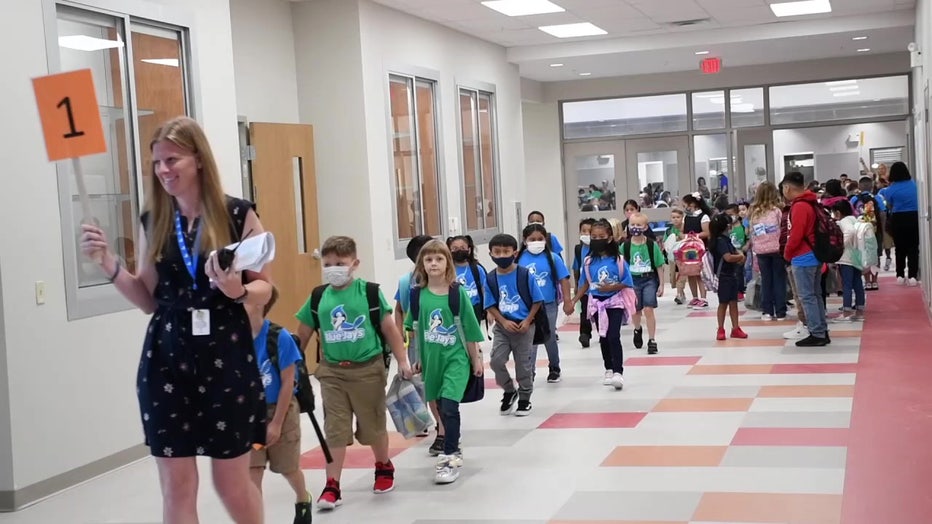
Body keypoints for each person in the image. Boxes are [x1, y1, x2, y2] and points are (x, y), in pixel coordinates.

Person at [79, 116, 271, 523]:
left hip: (226, 356)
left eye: (172, 159)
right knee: (177, 486)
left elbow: (265, 288)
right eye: (157, 162)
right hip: (167, 361)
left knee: (231, 483)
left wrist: (237, 291)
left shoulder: (238, 214)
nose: (164, 170)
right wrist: (108, 263)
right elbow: (148, 300)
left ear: (198, 159)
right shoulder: (155, 220)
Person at [295, 236, 413, 511]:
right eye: (328, 264)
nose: (333, 268)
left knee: (372, 426)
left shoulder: (368, 293)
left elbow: (390, 330)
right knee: (335, 429)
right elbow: (301, 335)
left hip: (368, 370)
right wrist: (291, 369)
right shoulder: (318, 297)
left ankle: (383, 465)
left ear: (354, 264)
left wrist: (403, 360)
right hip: (332, 373)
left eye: (340, 263)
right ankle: (332, 484)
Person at [404, 240, 484, 484]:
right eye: (428, 260)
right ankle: (451, 444)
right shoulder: (417, 295)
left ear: (447, 263)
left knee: (450, 405)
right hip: (431, 361)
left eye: (439, 259)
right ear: (422, 265)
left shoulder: (456, 293)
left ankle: (449, 455)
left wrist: (476, 359)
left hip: (456, 359)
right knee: (438, 406)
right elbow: (414, 329)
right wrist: (416, 359)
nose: (433, 264)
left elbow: (469, 330)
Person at [245, 287, 312, 524]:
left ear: (261, 303)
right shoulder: (234, 339)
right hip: (250, 415)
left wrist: (276, 423)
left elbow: (287, 384)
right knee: (253, 470)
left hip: (280, 410)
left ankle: (303, 498)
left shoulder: (278, 337)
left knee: (287, 468)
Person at [566, 219, 634, 391]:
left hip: (615, 302)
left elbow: (627, 282)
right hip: (596, 303)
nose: (597, 239)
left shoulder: (618, 261)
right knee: (603, 336)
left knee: (613, 335)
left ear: (610, 238)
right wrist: (573, 301)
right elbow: (585, 284)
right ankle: (608, 369)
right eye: (593, 236)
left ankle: (618, 371)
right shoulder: (588, 262)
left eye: (601, 236)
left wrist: (612, 287)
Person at [484, 234, 544, 416]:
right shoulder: (491, 277)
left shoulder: (525, 274)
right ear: (491, 254)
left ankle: (525, 398)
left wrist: (527, 321)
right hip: (503, 327)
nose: (502, 255)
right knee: (496, 361)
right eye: (497, 252)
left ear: (514, 253)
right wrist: (503, 321)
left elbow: (537, 300)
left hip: (524, 327)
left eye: (506, 251)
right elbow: (490, 304)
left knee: (523, 364)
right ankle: (510, 390)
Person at [518, 224, 572, 383]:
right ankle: (529, 371)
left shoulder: (553, 258)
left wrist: (568, 301)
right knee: (530, 339)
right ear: (524, 241)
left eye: (540, 239)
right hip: (527, 306)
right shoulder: (519, 259)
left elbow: (564, 279)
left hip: (548, 304)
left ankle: (554, 366)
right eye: (532, 239)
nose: (536, 242)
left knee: (548, 337)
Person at [781, 172, 830, 347]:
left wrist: (787, 254)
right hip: (814, 255)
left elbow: (795, 235)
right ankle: (821, 330)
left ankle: (816, 332)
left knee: (807, 297)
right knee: (815, 295)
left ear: (787, 187)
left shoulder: (799, 206)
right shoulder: (811, 202)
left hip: (803, 257)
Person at [622, 213, 665, 355]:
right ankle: (637, 328)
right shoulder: (625, 246)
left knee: (648, 309)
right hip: (632, 281)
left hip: (649, 279)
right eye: (632, 225)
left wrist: (661, 284)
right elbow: (619, 264)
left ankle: (652, 340)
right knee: (636, 309)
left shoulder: (651, 245)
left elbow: (659, 265)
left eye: (639, 225)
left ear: (645, 227)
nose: (635, 228)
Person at [748, 182, 787, 321]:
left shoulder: (753, 211)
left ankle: (767, 311)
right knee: (779, 280)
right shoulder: (777, 210)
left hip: (760, 250)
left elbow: (751, 231)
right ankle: (781, 311)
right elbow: (783, 228)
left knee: (766, 280)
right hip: (777, 249)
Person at [710, 213, 748, 340]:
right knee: (723, 303)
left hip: (731, 275)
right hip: (724, 276)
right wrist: (741, 257)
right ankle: (721, 329)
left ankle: (735, 328)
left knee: (733, 302)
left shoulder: (723, 240)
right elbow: (728, 257)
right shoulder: (721, 241)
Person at [831, 200, 869, 322]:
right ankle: (859, 311)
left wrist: (841, 245)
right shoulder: (855, 219)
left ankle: (846, 312)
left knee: (846, 284)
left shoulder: (844, 221)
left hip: (846, 257)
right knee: (857, 283)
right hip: (857, 256)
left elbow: (850, 232)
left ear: (838, 212)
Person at [884, 162, 921, 286]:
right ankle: (913, 276)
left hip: (898, 218)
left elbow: (889, 205)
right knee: (913, 247)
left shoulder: (890, 190)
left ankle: (900, 275)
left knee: (900, 248)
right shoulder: (915, 185)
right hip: (914, 217)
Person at [851, 176, 885, 290]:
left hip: (860, 232)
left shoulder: (854, 199)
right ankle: (875, 281)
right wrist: (881, 229)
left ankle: (867, 281)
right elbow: (883, 213)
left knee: (863, 255)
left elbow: (851, 215)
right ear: (872, 187)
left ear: (859, 187)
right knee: (875, 255)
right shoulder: (877, 198)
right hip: (875, 232)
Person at [681, 193, 713, 309]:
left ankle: (703, 298)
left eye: (686, 205)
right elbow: (683, 230)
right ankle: (694, 297)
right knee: (691, 272)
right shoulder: (687, 217)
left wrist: (695, 236)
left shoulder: (703, 217)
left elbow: (707, 232)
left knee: (699, 273)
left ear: (693, 204)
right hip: (688, 249)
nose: (685, 208)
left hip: (700, 248)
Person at [572, 218, 596, 347]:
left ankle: (603, 331)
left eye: (589, 231)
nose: (586, 234)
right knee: (585, 311)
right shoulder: (578, 249)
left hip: (598, 287)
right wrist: (576, 285)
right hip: (584, 287)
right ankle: (584, 334)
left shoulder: (599, 248)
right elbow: (576, 268)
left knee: (598, 311)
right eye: (583, 231)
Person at [663, 208, 687, 305]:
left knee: (682, 275)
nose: (676, 219)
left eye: (678, 217)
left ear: (682, 218)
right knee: (673, 276)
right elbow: (666, 243)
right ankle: (681, 293)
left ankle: (679, 294)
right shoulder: (669, 231)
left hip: (683, 256)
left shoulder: (685, 229)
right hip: (672, 257)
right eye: (673, 217)